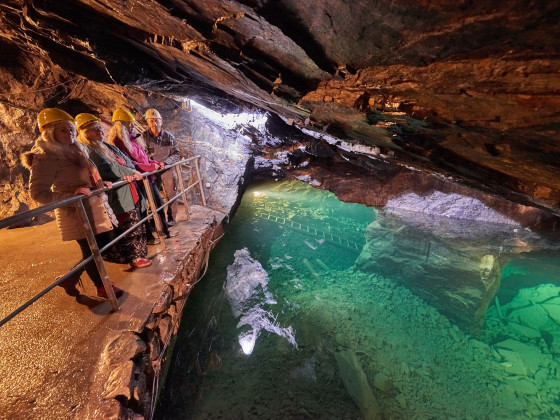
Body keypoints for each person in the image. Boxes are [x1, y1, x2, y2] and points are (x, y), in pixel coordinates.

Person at [21, 108, 124, 299]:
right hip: (75, 211)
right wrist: (70, 196)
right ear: (49, 132)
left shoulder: (77, 148)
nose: (69, 133)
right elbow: (37, 193)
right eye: (63, 130)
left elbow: (89, 172)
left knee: (104, 243)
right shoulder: (45, 156)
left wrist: (100, 182)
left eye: (70, 129)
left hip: (94, 204)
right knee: (91, 249)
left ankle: (71, 278)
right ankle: (102, 286)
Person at [75, 113, 152, 268]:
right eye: (95, 130)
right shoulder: (89, 150)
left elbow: (128, 161)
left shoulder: (107, 146)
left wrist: (130, 171)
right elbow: (107, 167)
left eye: (100, 128)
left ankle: (137, 255)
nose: (100, 131)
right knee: (127, 225)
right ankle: (133, 258)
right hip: (117, 193)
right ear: (85, 132)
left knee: (135, 221)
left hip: (128, 189)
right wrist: (129, 173)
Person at [107, 108, 178, 244]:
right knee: (144, 208)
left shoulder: (134, 139)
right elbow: (130, 163)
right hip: (140, 179)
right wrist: (151, 167)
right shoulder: (119, 142)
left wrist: (156, 163)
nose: (133, 126)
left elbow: (144, 158)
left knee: (159, 202)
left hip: (149, 176)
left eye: (156, 120)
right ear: (120, 125)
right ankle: (150, 237)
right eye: (130, 124)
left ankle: (164, 232)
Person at [144, 108, 181, 226]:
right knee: (152, 197)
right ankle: (155, 220)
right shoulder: (144, 137)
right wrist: (151, 165)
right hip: (152, 171)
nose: (154, 123)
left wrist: (165, 163)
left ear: (161, 121)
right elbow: (142, 154)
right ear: (147, 122)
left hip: (167, 169)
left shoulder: (169, 137)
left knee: (171, 194)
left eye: (156, 120)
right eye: (151, 121)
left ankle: (171, 218)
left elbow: (176, 153)